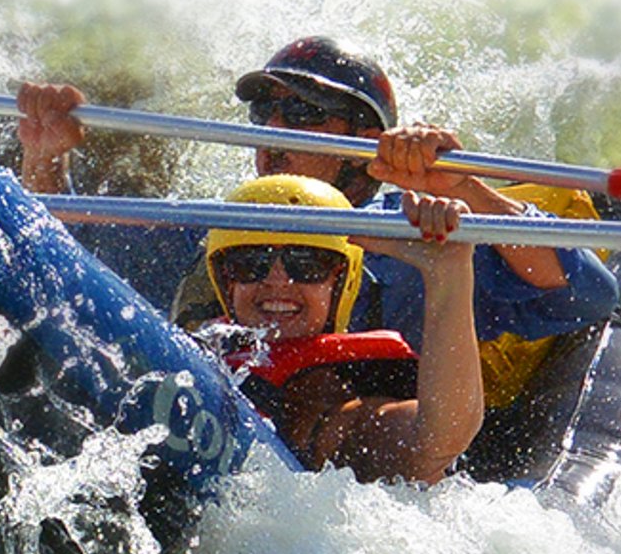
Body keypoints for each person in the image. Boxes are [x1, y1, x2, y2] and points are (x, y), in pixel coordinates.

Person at [15, 37, 619, 364]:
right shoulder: (226, 227)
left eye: (303, 113)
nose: (275, 127)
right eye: (265, 111)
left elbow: (582, 295)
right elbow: (63, 254)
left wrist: (461, 188)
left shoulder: (413, 235)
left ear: (363, 141)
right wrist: (45, 156)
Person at [203, 174, 482, 484]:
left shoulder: (336, 402)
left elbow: (436, 442)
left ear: (340, 282)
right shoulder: (199, 348)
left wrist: (448, 271)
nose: (277, 280)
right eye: (249, 263)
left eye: (307, 264)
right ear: (226, 279)